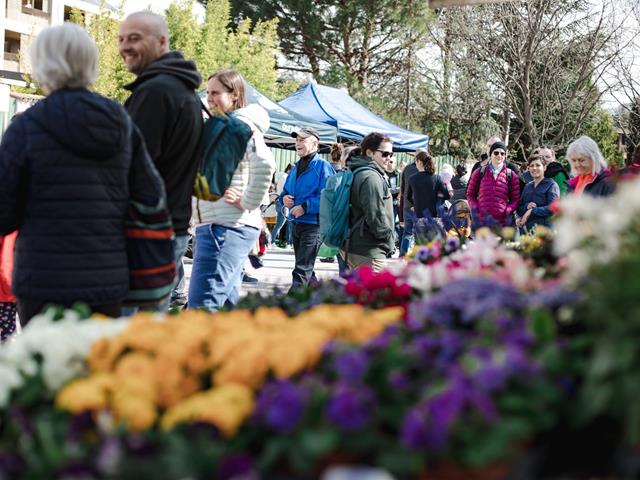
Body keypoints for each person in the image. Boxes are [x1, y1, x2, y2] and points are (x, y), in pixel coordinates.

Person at [0, 24, 167, 324]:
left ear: (43, 64)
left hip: (42, 279)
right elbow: (151, 193)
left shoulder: (27, 126)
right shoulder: (120, 120)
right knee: (97, 368)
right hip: (108, 278)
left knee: (45, 368)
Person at [119, 11, 203, 310]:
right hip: (166, 230)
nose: (124, 47)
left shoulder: (156, 92)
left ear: (162, 41)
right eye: (121, 39)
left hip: (147, 234)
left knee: (128, 341)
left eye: (135, 38)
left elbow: (130, 169)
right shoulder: (178, 89)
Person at [188, 69, 275, 311]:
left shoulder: (238, 125)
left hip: (225, 226)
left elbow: (266, 163)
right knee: (225, 304)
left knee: (203, 305)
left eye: (215, 93)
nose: (209, 98)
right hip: (222, 225)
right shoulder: (228, 126)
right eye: (208, 93)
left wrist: (248, 201)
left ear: (235, 95)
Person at [279, 127, 335, 287]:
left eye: (302, 139)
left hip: (314, 226)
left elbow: (329, 196)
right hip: (296, 224)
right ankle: (320, 300)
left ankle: (288, 308)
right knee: (306, 271)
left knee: (301, 270)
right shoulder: (295, 167)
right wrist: (284, 199)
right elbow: (285, 191)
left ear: (315, 143)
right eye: (297, 140)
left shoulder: (323, 166)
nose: (298, 143)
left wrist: (306, 206)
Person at [340, 133, 395, 272]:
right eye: (385, 154)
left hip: (356, 245)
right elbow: (375, 215)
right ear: (370, 152)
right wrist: (389, 239)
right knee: (379, 292)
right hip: (368, 250)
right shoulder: (371, 177)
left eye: (391, 154)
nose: (389, 158)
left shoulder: (358, 171)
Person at [466, 141, 521, 227]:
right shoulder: (479, 172)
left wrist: (507, 211)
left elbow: (516, 199)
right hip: (482, 222)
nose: (499, 155)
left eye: (502, 153)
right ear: (490, 154)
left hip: (502, 224)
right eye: (496, 153)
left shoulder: (511, 175)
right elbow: (470, 194)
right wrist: (476, 209)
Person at [516, 154, 560, 231]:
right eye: (532, 166)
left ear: (544, 168)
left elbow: (553, 208)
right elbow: (519, 208)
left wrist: (532, 211)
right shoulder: (527, 186)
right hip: (527, 232)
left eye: (538, 165)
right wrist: (526, 208)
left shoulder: (551, 185)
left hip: (545, 232)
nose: (534, 168)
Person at [406, 153, 450, 219]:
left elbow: (408, 197)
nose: (416, 164)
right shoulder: (436, 178)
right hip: (433, 216)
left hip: (418, 216)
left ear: (420, 162)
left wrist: (416, 205)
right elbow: (447, 195)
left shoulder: (412, 178)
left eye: (416, 161)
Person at [399, 152, 421, 256]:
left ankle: (402, 256)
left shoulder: (406, 168)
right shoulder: (423, 170)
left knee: (407, 233)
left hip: (407, 205)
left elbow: (402, 189)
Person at [270, 163, 293, 247]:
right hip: (284, 203)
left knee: (279, 224)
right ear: (290, 170)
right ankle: (288, 243)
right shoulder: (286, 177)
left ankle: (272, 241)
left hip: (279, 202)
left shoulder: (281, 177)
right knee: (287, 224)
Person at [385, 157, 402, 246]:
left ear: (395, 164)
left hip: (398, 201)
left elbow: (403, 187)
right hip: (388, 202)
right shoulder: (383, 174)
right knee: (390, 224)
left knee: (401, 224)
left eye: (391, 162)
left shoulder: (399, 174)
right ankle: (390, 243)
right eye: (388, 161)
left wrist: (399, 197)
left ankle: (400, 242)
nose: (389, 163)